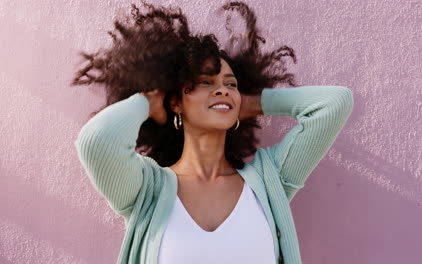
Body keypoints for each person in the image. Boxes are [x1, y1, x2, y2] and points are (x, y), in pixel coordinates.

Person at [72, 1, 354, 263]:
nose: (222, 89)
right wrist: (150, 101)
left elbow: (334, 104)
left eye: (231, 84)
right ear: (177, 102)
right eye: (206, 82)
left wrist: (254, 103)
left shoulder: (270, 182)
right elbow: (97, 141)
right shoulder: (146, 189)